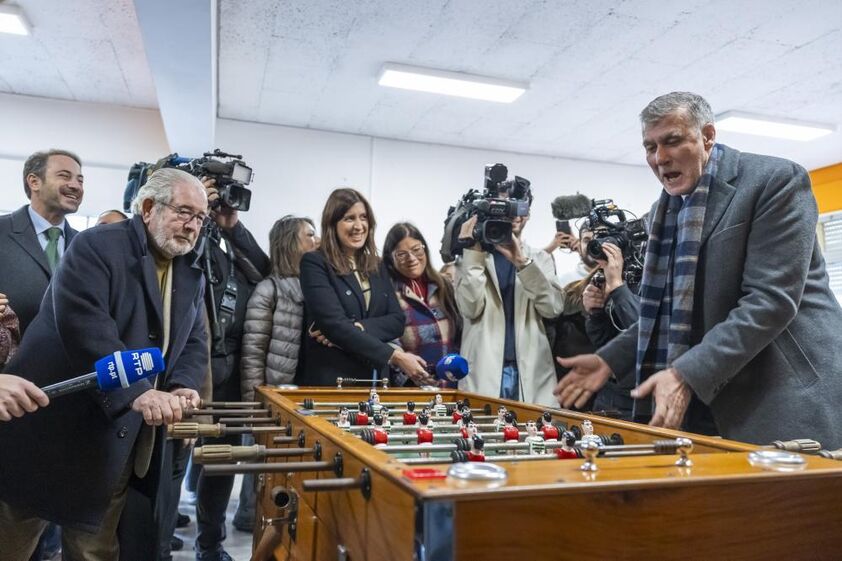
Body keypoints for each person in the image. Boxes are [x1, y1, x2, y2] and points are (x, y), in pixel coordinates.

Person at [555, 91, 842, 450]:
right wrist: (608, 359)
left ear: (707, 136)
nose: (660, 158)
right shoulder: (666, 209)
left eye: (672, 141)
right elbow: (665, 311)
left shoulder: (775, 180)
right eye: (650, 147)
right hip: (711, 402)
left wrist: (685, 373)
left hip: (783, 393)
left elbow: (771, 301)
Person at [0, 168, 208, 560]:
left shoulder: (190, 271)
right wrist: (139, 392)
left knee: (93, 550)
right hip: (52, 427)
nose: (192, 225)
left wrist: (182, 383)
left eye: (200, 218)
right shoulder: (99, 245)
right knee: (13, 539)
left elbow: (194, 338)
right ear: (148, 207)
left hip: (114, 441)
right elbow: (85, 324)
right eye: (183, 212)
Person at [193, 179, 270, 558]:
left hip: (231, 371)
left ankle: (210, 545)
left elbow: (264, 267)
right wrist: (199, 214)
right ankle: (157, 543)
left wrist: (231, 225)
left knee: (221, 465)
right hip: (191, 370)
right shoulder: (193, 243)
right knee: (177, 464)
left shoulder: (226, 250)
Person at [298, 188, 423, 386]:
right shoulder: (315, 263)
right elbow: (334, 325)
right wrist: (395, 356)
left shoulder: (376, 264)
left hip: (375, 383)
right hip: (333, 382)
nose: (359, 226)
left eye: (363, 217)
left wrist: (358, 327)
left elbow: (397, 321)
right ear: (332, 223)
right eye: (349, 218)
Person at [454, 186, 564, 406]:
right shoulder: (472, 258)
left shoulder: (540, 258)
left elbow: (552, 308)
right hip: (485, 370)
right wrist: (473, 253)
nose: (514, 214)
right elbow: (470, 308)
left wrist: (523, 264)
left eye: (520, 207)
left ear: (528, 214)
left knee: (535, 436)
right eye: (505, 206)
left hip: (532, 372)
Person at [0, 149, 83, 335]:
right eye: (65, 176)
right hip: (11, 359)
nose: (76, 186)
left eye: (80, 180)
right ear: (34, 182)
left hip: (70, 360)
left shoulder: (86, 244)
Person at [240, 216, 318, 401]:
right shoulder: (268, 290)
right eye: (311, 235)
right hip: (280, 395)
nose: (318, 240)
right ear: (290, 243)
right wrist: (254, 410)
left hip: (313, 391)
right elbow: (253, 356)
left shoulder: (318, 288)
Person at [382, 222, 461, 387]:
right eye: (401, 254)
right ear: (391, 259)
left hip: (454, 388)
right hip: (413, 390)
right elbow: (389, 345)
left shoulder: (444, 286)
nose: (411, 258)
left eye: (416, 249)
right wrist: (411, 377)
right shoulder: (388, 295)